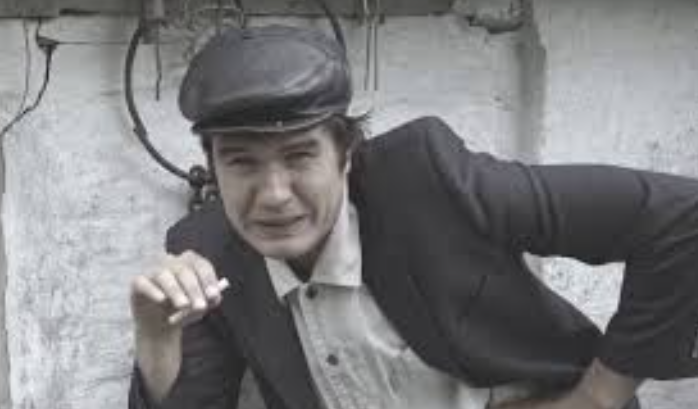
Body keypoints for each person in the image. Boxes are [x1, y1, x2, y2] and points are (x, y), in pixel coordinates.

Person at [128, 24, 698, 409]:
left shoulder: (428, 179)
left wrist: (596, 398)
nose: (274, 194)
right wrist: (156, 336)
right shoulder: (206, 251)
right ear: (213, 167)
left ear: (345, 155)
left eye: (300, 157)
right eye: (241, 162)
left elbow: (677, 216)